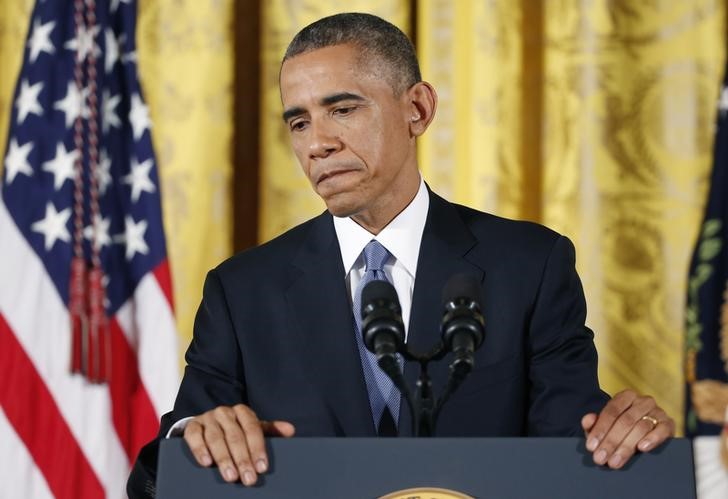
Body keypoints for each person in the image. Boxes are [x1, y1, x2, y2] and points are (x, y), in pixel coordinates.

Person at [127, 12, 675, 498]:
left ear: (417, 108)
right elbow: (158, 475)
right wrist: (193, 437)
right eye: (299, 122)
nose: (317, 143)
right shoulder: (242, 290)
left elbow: (570, 452)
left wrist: (628, 437)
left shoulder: (530, 265)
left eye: (341, 109)